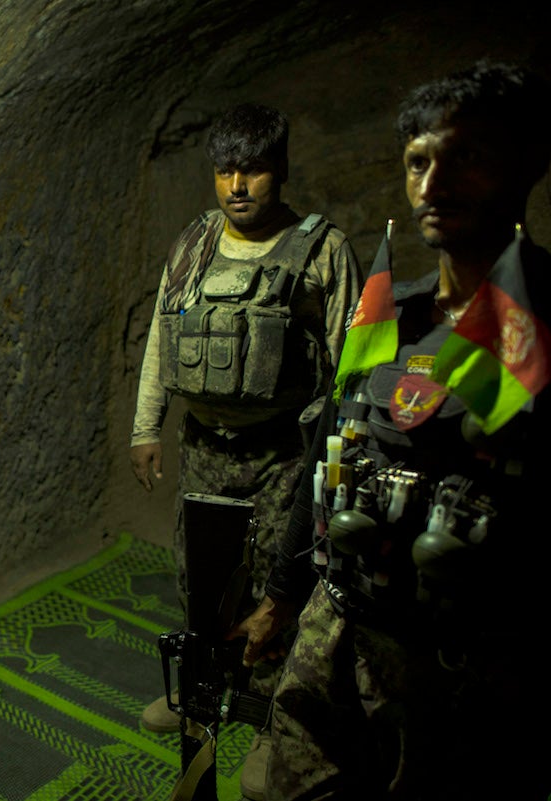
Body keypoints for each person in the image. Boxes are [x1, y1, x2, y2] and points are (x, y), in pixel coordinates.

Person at [233, 59, 551, 800]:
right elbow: (324, 463)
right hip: (336, 635)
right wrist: (281, 598)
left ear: (529, 164)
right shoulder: (388, 321)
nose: (433, 185)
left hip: (466, 675)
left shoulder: (538, 333)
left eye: (464, 156)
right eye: (417, 162)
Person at [129, 103, 362, 800]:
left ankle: (270, 722)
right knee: (199, 579)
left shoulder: (321, 251)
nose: (237, 184)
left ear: (280, 170)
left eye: (252, 169)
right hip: (203, 448)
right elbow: (161, 339)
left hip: (282, 455)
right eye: (225, 169)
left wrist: (338, 461)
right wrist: (147, 426)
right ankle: (199, 697)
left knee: (275, 593)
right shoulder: (195, 245)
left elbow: (350, 367)